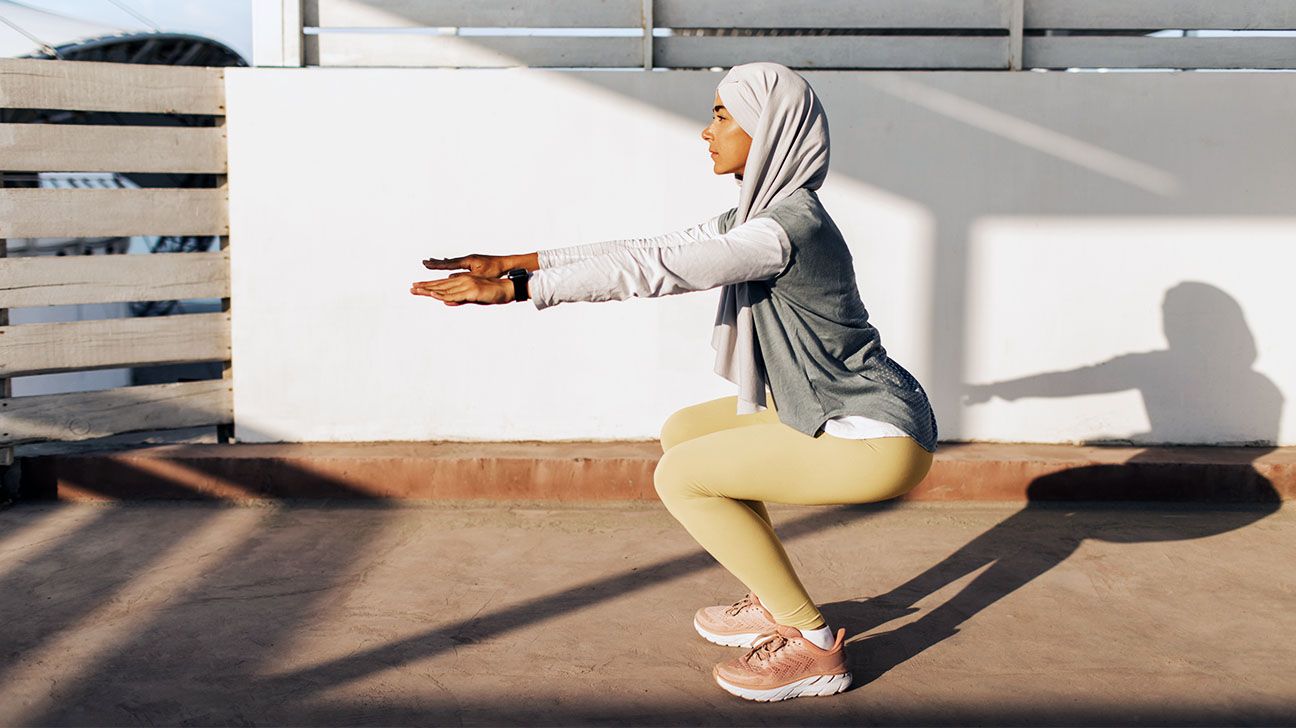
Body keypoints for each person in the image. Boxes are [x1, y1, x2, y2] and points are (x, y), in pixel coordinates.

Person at [411, 61, 938, 703]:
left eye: (721, 115)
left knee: (682, 476)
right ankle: (773, 599)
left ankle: (813, 646)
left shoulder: (782, 231)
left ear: (767, 127)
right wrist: (514, 261)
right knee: (683, 433)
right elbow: (648, 246)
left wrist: (519, 290)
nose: (705, 131)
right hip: (840, 408)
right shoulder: (759, 215)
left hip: (875, 435)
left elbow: (658, 270)